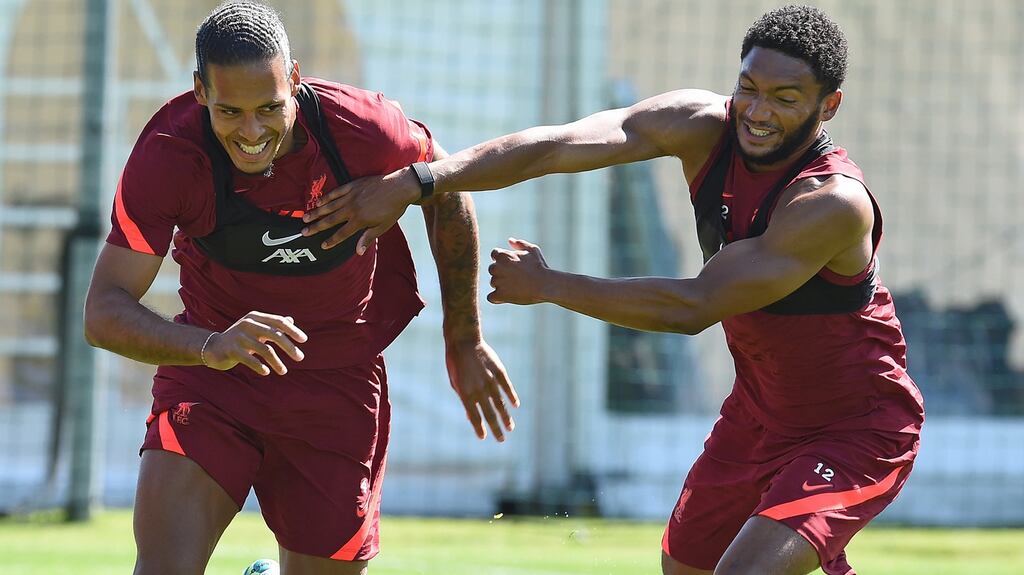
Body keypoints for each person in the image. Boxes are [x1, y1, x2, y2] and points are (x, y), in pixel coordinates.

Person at [300, 5, 924, 575]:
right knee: (683, 570)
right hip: (757, 416)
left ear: (830, 105)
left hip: (856, 427)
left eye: (785, 99)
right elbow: (556, 146)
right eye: (749, 89)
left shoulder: (830, 204)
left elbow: (694, 306)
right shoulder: (702, 125)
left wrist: (550, 285)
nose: (758, 113)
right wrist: (422, 178)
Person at [83, 2, 519, 574]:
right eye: (230, 111)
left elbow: (447, 187)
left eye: (270, 107)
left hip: (337, 384)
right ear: (199, 91)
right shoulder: (171, 154)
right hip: (214, 381)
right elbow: (103, 310)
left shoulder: (363, 131)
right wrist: (211, 347)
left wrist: (463, 337)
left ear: (294, 78)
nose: (253, 131)